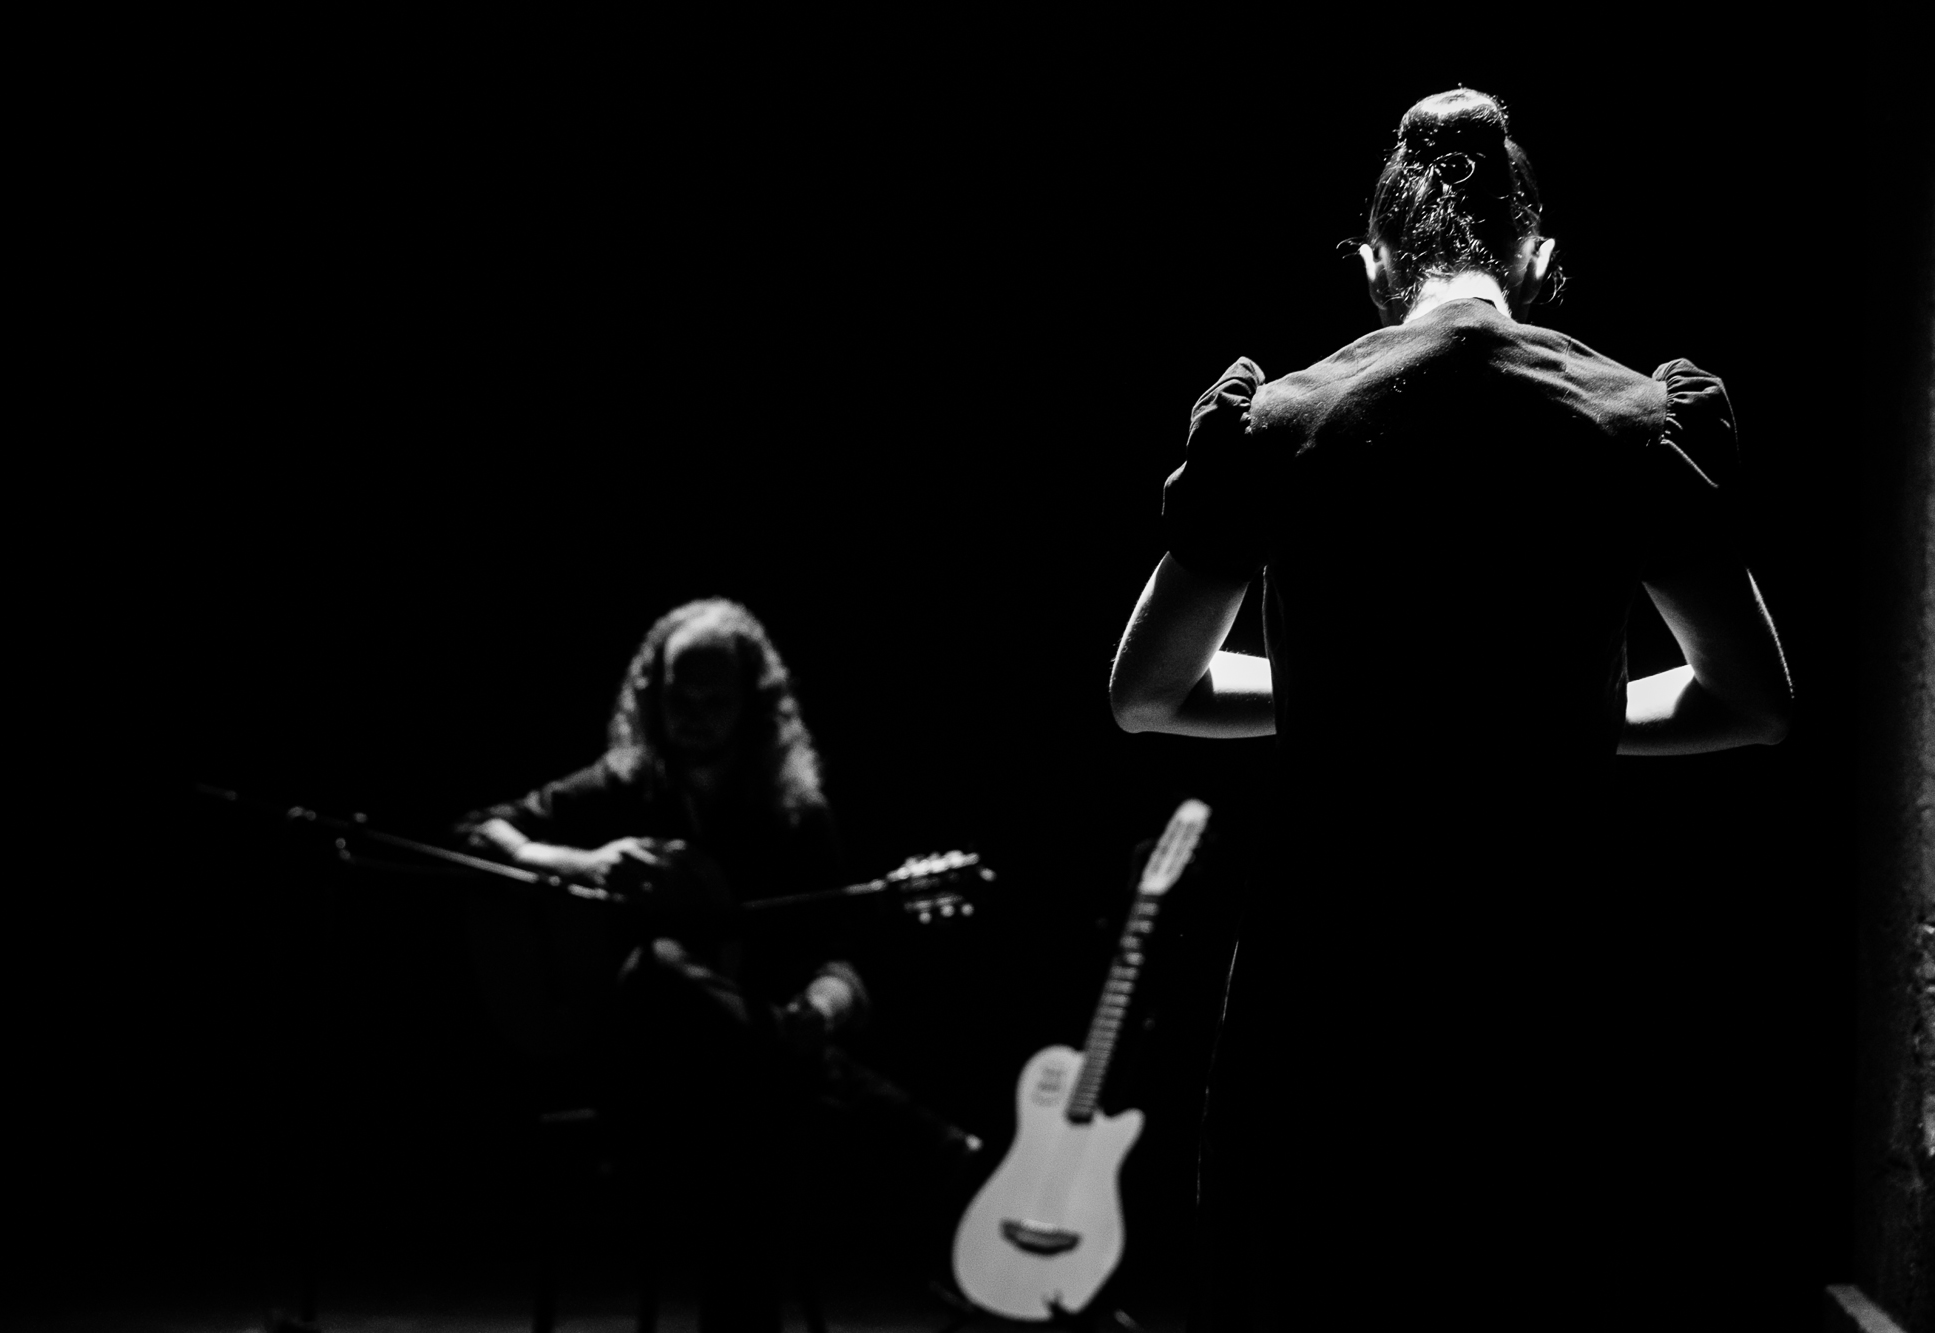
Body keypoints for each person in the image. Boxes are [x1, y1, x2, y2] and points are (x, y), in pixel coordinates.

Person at [1108, 90, 1791, 1329]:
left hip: (1328, 992)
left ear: (1373, 264)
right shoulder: (1634, 419)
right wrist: (1528, 706)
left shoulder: (1283, 420)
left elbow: (1146, 693)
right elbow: (1748, 701)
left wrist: (1361, 700)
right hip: (1543, 982)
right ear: (1534, 260)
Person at [459, 597, 978, 1332]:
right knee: (661, 973)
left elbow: (834, 956)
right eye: (678, 697)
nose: (694, 714)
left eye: (715, 700)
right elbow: (480, 830)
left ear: (752, 706)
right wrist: (575, 861)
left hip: (731, 1088)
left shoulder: (793, 816)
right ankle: (929, 1146)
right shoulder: (615, 792)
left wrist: (822, 1007)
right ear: (651, 695)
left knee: (751, 1121)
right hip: (622, 1068)